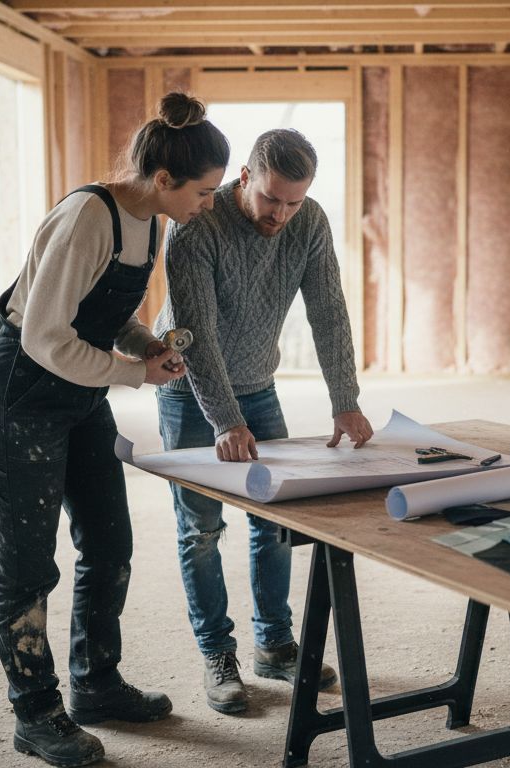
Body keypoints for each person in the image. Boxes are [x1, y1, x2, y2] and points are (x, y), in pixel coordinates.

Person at [0, 93, 229, 767]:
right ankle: (36, 714)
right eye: (204, 192)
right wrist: (134, 374)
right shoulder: (89, 216)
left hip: (81, 396)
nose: (209, 204)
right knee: (28, 567)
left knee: (110, 542)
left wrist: (146, 345)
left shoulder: (152, 224)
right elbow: (45, 337)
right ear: (164, 179)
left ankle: (95, 684)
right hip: (22, 396)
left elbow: (108, 316)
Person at [154, 128, 374, 714]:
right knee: (200, 529)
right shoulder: (196, 225)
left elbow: (328, 310)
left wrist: (345, 398)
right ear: (245, 177)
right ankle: (217, 654)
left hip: (258, 384)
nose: (281, 214)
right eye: (271, 198)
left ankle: (274, 644)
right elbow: (196, 334)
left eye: (293, 202)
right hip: (188, 388)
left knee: (275, 520)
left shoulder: (309, 221)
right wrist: (225, 420)